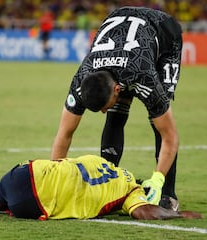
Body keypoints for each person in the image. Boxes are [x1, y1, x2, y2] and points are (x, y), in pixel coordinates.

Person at [51, 7, 183, 210]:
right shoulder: (82, 77)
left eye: (103, 106)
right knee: (115, 115)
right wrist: (55, 180)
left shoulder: (143, 76)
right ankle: (110, 184)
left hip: (164, 32)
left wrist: (157, 179)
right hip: (121, 29)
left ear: (117, 89)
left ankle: (168, 194)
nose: (103, 111)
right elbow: (65, 133)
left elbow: (170, 135)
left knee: (159, 119)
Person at [0, 155, 201, 220]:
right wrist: (179, 215)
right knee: (2, 205)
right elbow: (146, 212)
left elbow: (62, 159)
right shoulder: (132, 193)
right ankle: (9, 208)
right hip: (36, 203)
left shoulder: (100, 161)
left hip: (25, 172)